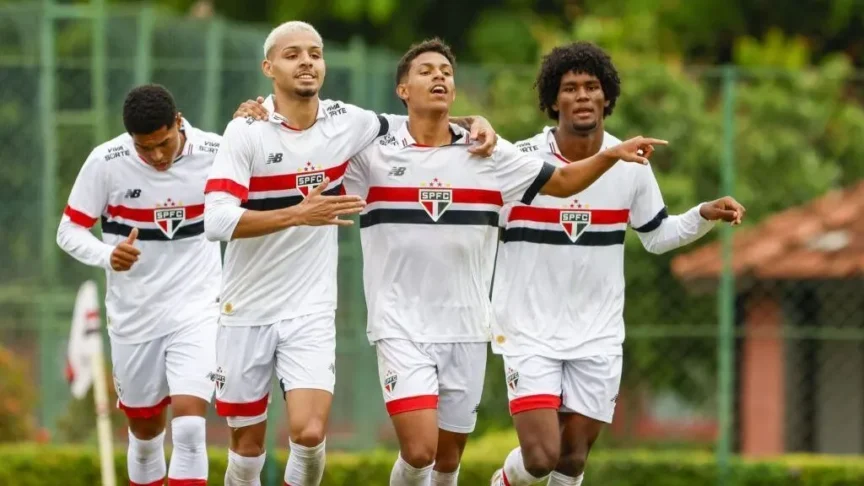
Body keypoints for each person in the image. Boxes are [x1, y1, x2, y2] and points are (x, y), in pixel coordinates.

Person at [341, 38, 666, 486]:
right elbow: (311, 137)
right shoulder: (374, 155)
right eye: (426, 71)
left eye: (446, 72)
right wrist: (261, 114)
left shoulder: (488, 155)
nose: (439, 76)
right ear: (402, 89)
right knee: (419, 452)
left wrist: (609, 154)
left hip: (468, 327)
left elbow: (565, 182)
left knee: (450, 461)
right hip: (400, 324)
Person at [203, 22, 498, 486]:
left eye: (315, 54)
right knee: (246, 449)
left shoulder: (348, 121)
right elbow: (215, 221)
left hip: (311, 310)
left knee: (310, 431)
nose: (306, 62)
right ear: (268, 68)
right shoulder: (246, 131)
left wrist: (470, 123)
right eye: (292, 54)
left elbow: (414, 121)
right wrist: (298, 214)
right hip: (245, 309)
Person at [489, 42, 746, 486]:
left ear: (607, 97)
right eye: (570, 88)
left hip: (598, 335)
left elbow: (658, 236)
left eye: (593, 86)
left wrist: (702, 214)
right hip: (528, 331)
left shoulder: (631, 165)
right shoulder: (521, 160)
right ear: (553, 101)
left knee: (571, 460)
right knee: (540, 457)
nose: (583, 95)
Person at [57, 84, 230, 486]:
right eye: (144, 147)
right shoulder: (106, 161)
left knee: (189, 425)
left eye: (164, 143)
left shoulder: (216, 152)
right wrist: (107, 254)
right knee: (146, 432)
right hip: (134, 317)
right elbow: (69, 230)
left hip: (198, 308)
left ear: (179, 122)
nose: (156, 156)